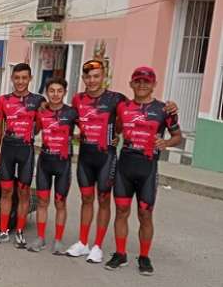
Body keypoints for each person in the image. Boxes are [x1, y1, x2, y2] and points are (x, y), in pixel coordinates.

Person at [67, 60, 178, 264]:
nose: (92, 80)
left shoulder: (117, 99)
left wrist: (171, 109)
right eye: (88, 77)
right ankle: (84, 243)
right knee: (87, 200)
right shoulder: (78, 99)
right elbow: (114, 123)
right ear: (83, 79)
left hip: (110, 158)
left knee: (108, 202)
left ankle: (100, 246)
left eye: (96, 76)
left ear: (104, 77)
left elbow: (138, 113)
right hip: (86, 156)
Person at [105, 66, 181, 275]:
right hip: (125, 166)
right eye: (137, 81)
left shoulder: (165, 109)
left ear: (154, 85)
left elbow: (178, 136)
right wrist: (116, 136)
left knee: (145, 214)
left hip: (147, 167)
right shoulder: (123, 107)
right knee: (121, 211)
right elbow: (117, 127)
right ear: (131, 83)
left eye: (146, 82)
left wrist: (166, 142)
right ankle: (120, 254)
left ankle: (144, 257)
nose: (141, 85)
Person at [0, 63, 45, 248]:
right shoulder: (3, 100)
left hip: (26, 150)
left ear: (30, 79)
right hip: (8, 150)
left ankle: (19, 231)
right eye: (17, 78)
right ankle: (3, 230)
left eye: (24, 78)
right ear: (12, 78)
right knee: (6, 191)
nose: (20, 82)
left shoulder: (38, 101)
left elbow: (39, 126)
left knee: (23, 192)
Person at [28, 78, 78, 255]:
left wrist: (113, 138)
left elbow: (90, 127)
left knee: (60, 202)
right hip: (45, 161)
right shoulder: (41, 112)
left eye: (59, 91)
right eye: (52, 91)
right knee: (42, 201)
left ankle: (58, 241)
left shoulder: (72, 113)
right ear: (47, 92)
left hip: (63, 163)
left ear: (64, 92)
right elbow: (34, 130)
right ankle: (40, 238)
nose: (55, 94)